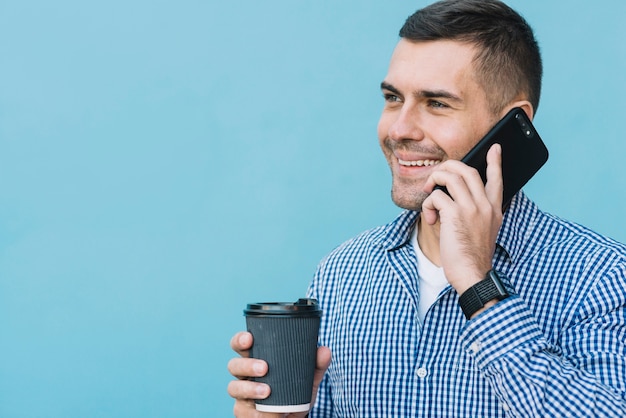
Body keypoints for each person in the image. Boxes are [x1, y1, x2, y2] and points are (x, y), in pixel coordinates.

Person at [227, 0, 626, 416]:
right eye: (393, 97)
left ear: (511, 124)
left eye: (437, 103)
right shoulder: (341, 275)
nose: (399, 129)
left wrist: (478, 284)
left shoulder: (604, 280)